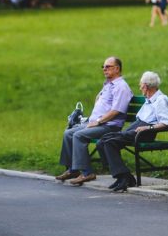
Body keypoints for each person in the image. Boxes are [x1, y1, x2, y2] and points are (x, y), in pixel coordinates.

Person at [56, 57, 133, 185]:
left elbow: (116, 111)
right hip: (98, 123)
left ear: (117, 68)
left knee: (78, 135)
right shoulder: (108, 85)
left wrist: (98, 121)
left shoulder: (121, 87)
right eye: (103, 66)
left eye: (108, 66)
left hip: (109, 126)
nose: (104, 69)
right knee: (68, 133)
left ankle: (87, 173)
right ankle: (73, 169)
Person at [96, 71, 168, 192]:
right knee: (102, 141)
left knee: (110, 142)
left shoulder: (160, 100)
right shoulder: (149, 99)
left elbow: (167, 123)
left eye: (141, 85)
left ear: (146, 86)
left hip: (145, 132)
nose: (140, 87)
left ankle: (124, 177)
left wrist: (148, 128)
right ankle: (123, 176)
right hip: (137, 128)